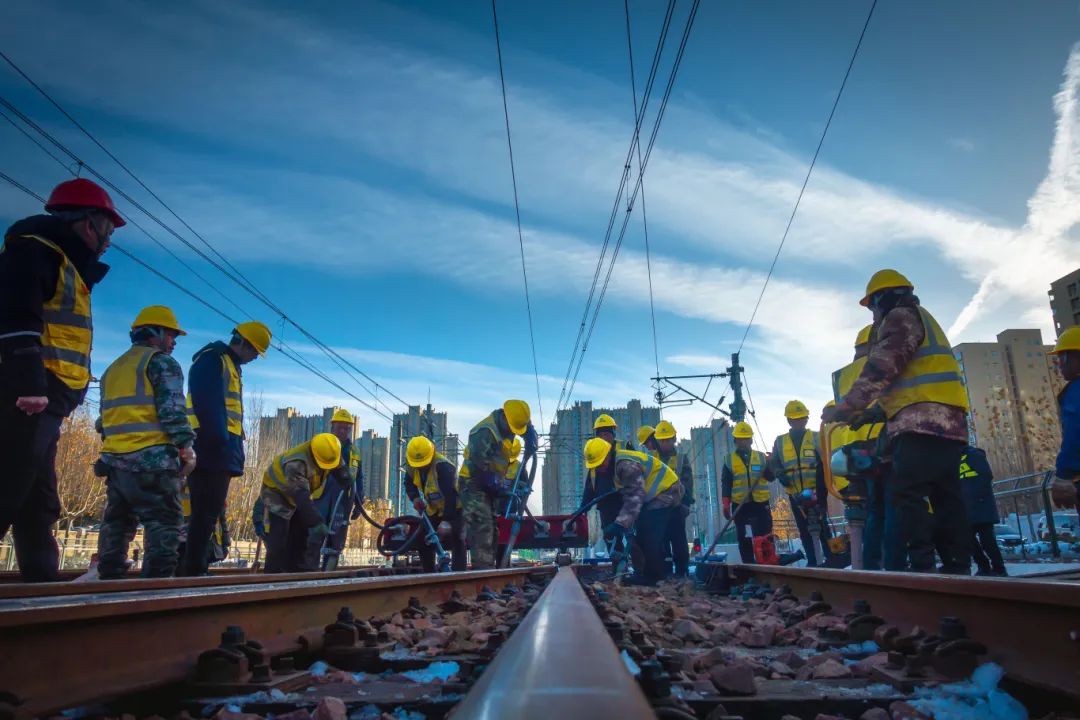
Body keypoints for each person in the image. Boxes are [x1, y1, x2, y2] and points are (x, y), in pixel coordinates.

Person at [0, 178, 119, 581]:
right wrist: (29, 384)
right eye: (107, 229)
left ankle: (41, 589)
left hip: (48, 400)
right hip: (27, 395)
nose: (107, 241)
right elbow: (19, 319)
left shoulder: (64, 263)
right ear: (88, 223)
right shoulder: (33, 251)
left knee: (38, 498)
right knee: (10, 485)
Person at [823, 269, 971, 574]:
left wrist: (847, 406)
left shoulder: (900, 317)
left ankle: (922, 568)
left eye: (872, 306)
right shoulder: (924, 319)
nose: (873, 315)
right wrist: (867, 413)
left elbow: (882, 366)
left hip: (920, 424)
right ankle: (957, 567)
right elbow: (912, 380)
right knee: (946, 497)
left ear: (883, 297)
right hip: (949, 423)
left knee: (907, 495)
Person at [95, 306, 194, 579]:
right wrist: (186, 447)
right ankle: (154, 588)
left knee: (116, 523)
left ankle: (108, 578)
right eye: (172, 335)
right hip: (153, 462)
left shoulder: (112, 370)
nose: (174, 342)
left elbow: (103, 421)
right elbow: (172, 412)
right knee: (164, 524)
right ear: (155, 333)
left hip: (116, 463)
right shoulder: (162, 363)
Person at [179, 320, 271, 576]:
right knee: (203, 513)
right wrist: (220, 441)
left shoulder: (227, 363)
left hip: (218, 449)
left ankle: (194, 567)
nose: (254, 358)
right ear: (242, 342)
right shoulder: (213, 360)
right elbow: (208, 405)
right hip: (211, 448)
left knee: (208, 514)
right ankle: (193, 569)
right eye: (254, 351)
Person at [583, 437, 683, 585]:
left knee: (648, 533)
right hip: (655, 495)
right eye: (595, 465)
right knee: (643, 533)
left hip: (667, 491)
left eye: (600, 463)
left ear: (608, 454)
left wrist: (619, 524)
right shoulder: (613, 466)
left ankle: (653, 577)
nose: (598, 468)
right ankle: (650, 575)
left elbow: (635, 497)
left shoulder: (625, 465)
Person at [459, 400, 536, 568]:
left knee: (493, 530)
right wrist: (498, 487)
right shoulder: (484, 433)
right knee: (482, 528)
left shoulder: (507, 423)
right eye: (513, 429)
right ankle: (483, 575)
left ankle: (490, 572)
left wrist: (530, 434)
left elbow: (524, 424)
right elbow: (479, 470)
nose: (513, 433)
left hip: (489, 486)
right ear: (504, 418)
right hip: (473, 484)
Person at [260, 433, 341, 573]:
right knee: (279, 536)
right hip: (277, 493)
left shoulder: (327, 452)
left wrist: (344, 474)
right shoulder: (297, 463)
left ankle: (297, 572)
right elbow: (301, 497)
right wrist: (316, 522)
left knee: (301, 533)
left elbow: (337, 463)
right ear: (315, 455)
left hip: (297, 495)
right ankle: (273, 576)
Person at [771, 400, 832, 567]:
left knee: (822, 526)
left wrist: (822, 493)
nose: (798, 422)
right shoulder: (780, 441)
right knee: (804, 529)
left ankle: (830, 558)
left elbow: (824, 462)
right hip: (795, 494)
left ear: (806, 419)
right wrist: (779, 473)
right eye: (795, 419)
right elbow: (774, 462)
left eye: (801, 418)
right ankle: (813, 561)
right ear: (789, 420)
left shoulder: (815, 437)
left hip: (816, 491)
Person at [307, 408, 364, 570]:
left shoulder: (354, 451)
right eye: (340, 427)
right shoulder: (323, 445)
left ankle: (328, 576)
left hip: (344, 499)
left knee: (336, 540)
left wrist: (359, 500)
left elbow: (359, 477)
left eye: (347, 428)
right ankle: (308, 575)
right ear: (332, 427)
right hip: (322, 496)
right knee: (315, 536)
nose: (344, 431)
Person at [404, 436, 466, 572]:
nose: (420, 467)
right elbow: (409, 483)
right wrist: (415, 498)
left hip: (455, 509)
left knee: (458, 537)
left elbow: (451, 496)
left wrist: (446, 521)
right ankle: (429, 574)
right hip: (433, 509)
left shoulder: (443, 467)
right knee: (423, 539)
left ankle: (459, 574)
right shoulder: (412, 465)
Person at [720, 421, 774, 564]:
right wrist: (726, 503)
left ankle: (768, 564)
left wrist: (771, 464)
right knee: (744, 538)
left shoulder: (761, 458)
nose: (743, 442)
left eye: (746, 438)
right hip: (741, 505)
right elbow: (726, 483)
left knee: (765, 536)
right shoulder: (729, 460)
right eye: (740, 439)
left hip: (761, 504)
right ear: (735, 440)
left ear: (751, 439)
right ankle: (749, 566)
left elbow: (771, 477)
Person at [653, 420, 694, 578]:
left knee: (679, 542)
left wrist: (686, 504)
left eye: (667, 439)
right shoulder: (652, 458)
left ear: (673, 439)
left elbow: (688, 483)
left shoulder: (681, 458)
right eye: (662, 440)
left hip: (676, 508)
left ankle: (682, 572)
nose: (664, 443)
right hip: (658, 509)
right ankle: (665, 572)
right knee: (661, 543)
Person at [958, 447, 1005, 576]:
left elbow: (986, 476)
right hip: (965, 507)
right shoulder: (953, 458)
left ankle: (998, 568)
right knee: (967, 539)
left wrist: (976, 496)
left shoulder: (974, 455)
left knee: (987, 540)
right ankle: (983, 566)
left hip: (980, 505)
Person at [1048, 327, 1080, 515]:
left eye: (1061, 357)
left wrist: (1063, 476)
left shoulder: (1076, 391)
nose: (1059, 364)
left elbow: (1076, 433)